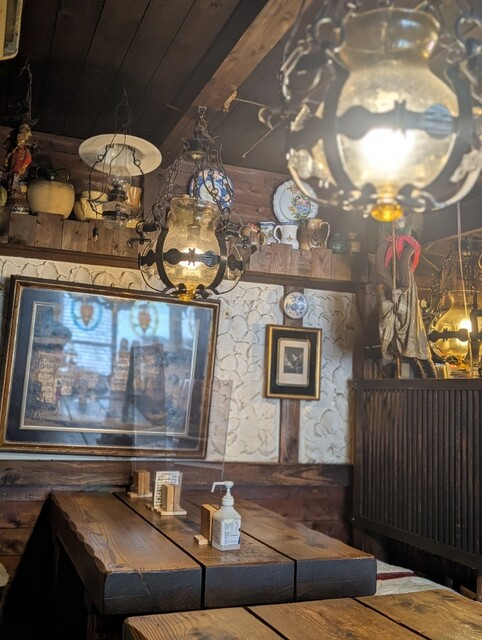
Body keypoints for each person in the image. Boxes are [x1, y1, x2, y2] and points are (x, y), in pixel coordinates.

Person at [375, 215, 436, 378]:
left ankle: (424, 368)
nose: (398, 222)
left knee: (410, 326)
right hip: (392, 288)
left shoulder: (409, 244)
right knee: (396, 326)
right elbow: (380, 269)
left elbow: (405, 266)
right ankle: (405, 357)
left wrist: (402, 289)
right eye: (395, 220)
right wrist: (392, 288)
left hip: (405, 288)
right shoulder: (384, 245)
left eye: (401, 220)